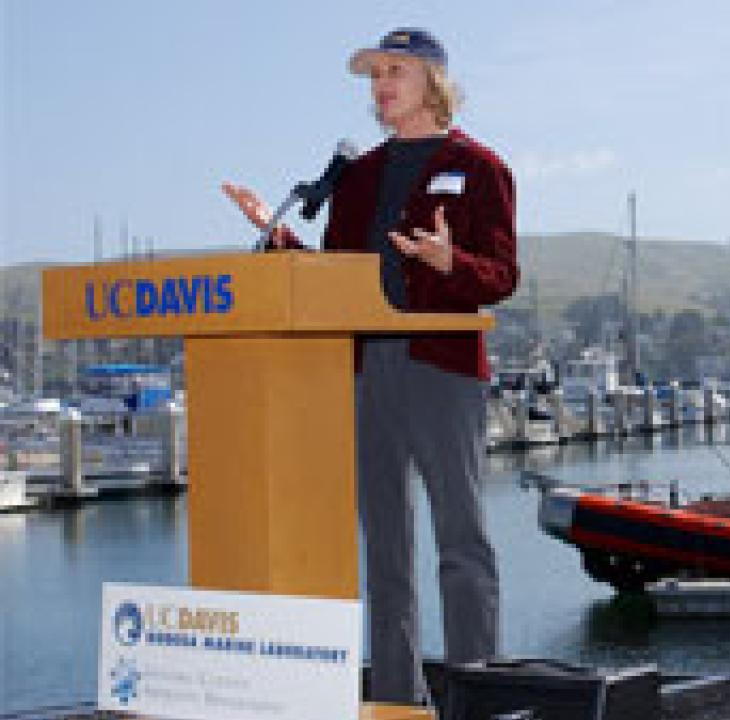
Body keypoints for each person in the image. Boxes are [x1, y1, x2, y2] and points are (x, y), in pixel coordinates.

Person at [222, 28, 518, 705]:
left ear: (433, 82)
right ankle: (395, 698)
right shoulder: (355, 178)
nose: (381, 85)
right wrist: (278, 235)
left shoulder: (480, 167)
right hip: (365, 370)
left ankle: (479, 697)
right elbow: (336, 278)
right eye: (375, 75)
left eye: (394, 72)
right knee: (385, 550)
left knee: (461, 541)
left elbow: (502, 275)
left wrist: (450, 262)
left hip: (441, 367)